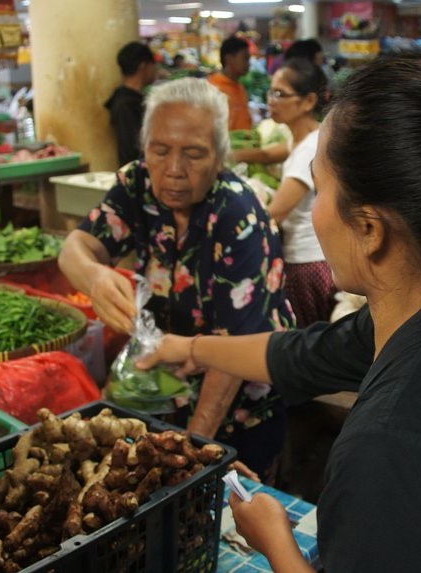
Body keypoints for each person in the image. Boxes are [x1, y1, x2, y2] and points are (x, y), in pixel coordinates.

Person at [137, 52, 421, 571]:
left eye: (321, 188)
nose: (313, 210)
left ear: (370, 229)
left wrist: (274, 539)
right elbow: (300, 354)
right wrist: (188, 348)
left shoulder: (388, 444)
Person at [59, 77, 295, 481]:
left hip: (240, 405)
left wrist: (190, 450)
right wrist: (96, 276)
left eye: (193, 154)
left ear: (220, 157)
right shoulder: (138, 185)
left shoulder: (237, 214)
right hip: (171, 387)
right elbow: (74, 249)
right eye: (160, 150)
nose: (173, 170)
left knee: (228, 515)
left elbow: (233, 351)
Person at [261, 57, 334, 327]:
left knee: (308, 341)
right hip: (312, 257)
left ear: (308, 101)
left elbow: (276, 213)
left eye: (280, 94)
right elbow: (272, 152)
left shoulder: (309, 149)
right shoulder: (306, 137)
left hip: (307, 262)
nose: (271, 100)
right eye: (271, 92)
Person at [104, 41, 158, 167]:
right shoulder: (125, 104)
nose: (156, 70)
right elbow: (132, 150)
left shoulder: (130, 99)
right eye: (153, 65)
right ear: (143, 66)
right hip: (137, 175)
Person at [208, 36, 253, 131]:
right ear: (229, 59)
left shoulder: (239, 87)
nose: (249, 64)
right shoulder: (212, 88)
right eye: (245, 58)